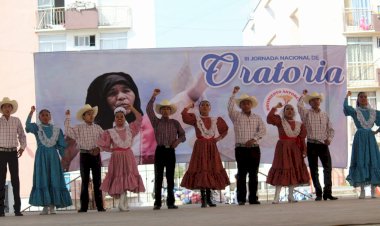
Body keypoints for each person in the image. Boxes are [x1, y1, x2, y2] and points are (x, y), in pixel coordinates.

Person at [85, 72, 155, 165]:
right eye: (112, 93)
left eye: (126, 90)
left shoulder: (150, 127)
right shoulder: (95, 136)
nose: (121, 97)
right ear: (101, 101)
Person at [180, 100, 230, 208]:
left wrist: (217, 139)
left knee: (211, 169)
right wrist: (189, 106)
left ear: (210, 108)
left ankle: (209, 198)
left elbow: (225, 130)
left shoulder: (216, 119)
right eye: (202, 105)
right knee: (202, 168)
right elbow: (184, 116)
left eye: (207, 105)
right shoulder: (195, 119)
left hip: (211, 146)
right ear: (199, 108)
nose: (205, 107)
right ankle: (203, 199)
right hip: (201, 146)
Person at [97, 105, 145, 211]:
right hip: (117, 158)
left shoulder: (131, 129)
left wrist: (132, 108)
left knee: (127, 178)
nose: (119, 118)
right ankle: (121, 203)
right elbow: (104, 145)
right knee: (120, 177)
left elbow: (139, 118)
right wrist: (113, 151)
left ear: (125, 118)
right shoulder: (110, 132)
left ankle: (124, 202)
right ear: (114, 118)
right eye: (117, 117)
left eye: (121, 117)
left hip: (128, 156)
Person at [26, 106, 72, 215]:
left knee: (54, 178)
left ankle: (52, 206)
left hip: (53, 157)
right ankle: (45, 206)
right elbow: (27, 126)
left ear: (50, 117)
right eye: (42, 115)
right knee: (43, 178)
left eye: (47, 115)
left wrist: (65, 159)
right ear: (39, 117)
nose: (45, 117)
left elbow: (61, 146)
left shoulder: (56, 130)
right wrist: (31, 112)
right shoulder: (37, 128)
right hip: (41, 157)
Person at [146, 89, 186, 210]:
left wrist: (177, 141)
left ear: (170, 111)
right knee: (158, 177)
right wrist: (153, 96)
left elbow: (183, 135)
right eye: (163, 108)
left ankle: (171, 202)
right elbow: (148, 110)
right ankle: (157, 203)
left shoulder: (175, 123)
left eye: (167, 108)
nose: (165, 110)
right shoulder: (156, 122)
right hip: (160, 150)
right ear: (160, 111)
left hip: (170, 151)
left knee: (170, 177)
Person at [227, 87, 266, 205]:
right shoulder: (236, 116)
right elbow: (229, 107)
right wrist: (233, 94)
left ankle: (253, 198)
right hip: (240, 148)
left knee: (254, 174)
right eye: (243, 103)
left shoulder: (257, 117)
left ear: (251, 105)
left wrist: (253, 139)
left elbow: (263, 130)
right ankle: (241, 199)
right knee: (242, 173)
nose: (246, 105)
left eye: (248, 103)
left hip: (254, 148)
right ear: (240, 106)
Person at [297, 90, 337, 201]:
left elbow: (331, 129)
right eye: (313, 100)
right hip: (312, 144)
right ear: (310, 103)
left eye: (317, 99)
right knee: (314, 169)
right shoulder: (306, 114)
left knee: (328, 168)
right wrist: (303, 95)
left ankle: (327, 193)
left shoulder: (324, 115)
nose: (316, 101)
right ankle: (318, 193)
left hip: (323, 144)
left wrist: (329, 139)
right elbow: (299, 106)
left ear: (320, 101)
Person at [64, 104, 105, 212]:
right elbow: (68, 131)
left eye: (92, 114)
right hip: (84, 155)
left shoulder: (98, 128)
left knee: (97, 181)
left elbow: (105, 140)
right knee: (85, 181)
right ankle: (84, 206)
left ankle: (100, 206)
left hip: (95, 155)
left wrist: (99, 148)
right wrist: (68, 117)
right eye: (88, 114)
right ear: (83, 117)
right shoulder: (79, 128)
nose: (91, 116)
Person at [266, 103, 310, 204]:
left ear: (294, 112)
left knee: (293, 170)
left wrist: (304, 150)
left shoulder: (299, 124)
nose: (289, 111)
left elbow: (302, 139)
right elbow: (269, 118)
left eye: (291, 109)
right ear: (284, 112)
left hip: (295, 149)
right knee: (282, 168)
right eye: (287, 109)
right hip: (283, 148)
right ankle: (276, 197)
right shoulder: (280, 121)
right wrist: (275, 107)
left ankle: (291, 195)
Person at [344, 91, 380, 198]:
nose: (363, 98)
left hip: (370, 138)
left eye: (365, 97)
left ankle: (373, 190)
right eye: (361, 97)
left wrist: (376, 131)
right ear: (358, 99)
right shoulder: (355, 112)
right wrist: (347, 96)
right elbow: (346, 107)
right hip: (359, 138)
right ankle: (363, 190)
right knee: (361, 160)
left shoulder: (373, 112)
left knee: (372, 160)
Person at [0, 97, 26, 217]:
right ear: (2, 109)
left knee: (15, 179)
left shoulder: (16, 120)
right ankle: (0, 210)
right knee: (1, 180)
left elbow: (22, 135)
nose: (7, 108)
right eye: (5, 106)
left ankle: (17, 209)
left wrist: (22, 147)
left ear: (12, 108)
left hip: (13, 153)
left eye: (9, 106)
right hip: (1, 153)